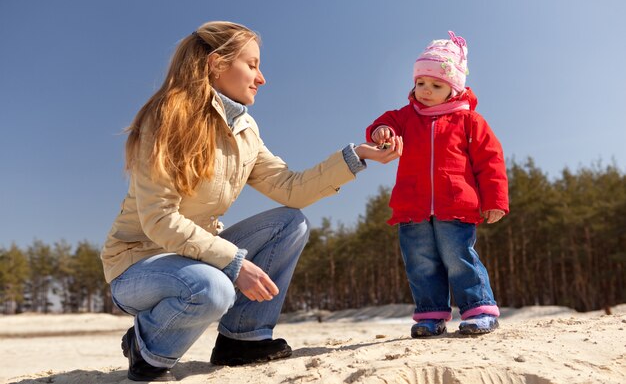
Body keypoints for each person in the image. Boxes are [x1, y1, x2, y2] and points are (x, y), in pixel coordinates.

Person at [100, 21, 402, 382]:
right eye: (253, 64)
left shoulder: (245, 129)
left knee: (291, 223)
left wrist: (357, 157)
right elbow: (160, 219)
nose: (262, 78)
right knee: (213, 287)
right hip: (138, 265)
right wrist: (234, 262)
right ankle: (146, 349)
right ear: (216, 63)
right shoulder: (168, 117)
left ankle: (241, 339)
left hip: (196, 255)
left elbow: (290, 188)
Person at [366, 31, 509, 338]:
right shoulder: (406, 117)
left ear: (453, 89)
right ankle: (430, 315)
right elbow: (383, 123)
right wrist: (381, 131)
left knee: (459, 258)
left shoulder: (469, 121)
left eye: (436, 85)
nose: (426, 90)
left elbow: (491, 161)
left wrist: (495, 200)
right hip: (412, 206)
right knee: (420, 262)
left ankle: (479, 309)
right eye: (421, 83)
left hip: (455, 205)